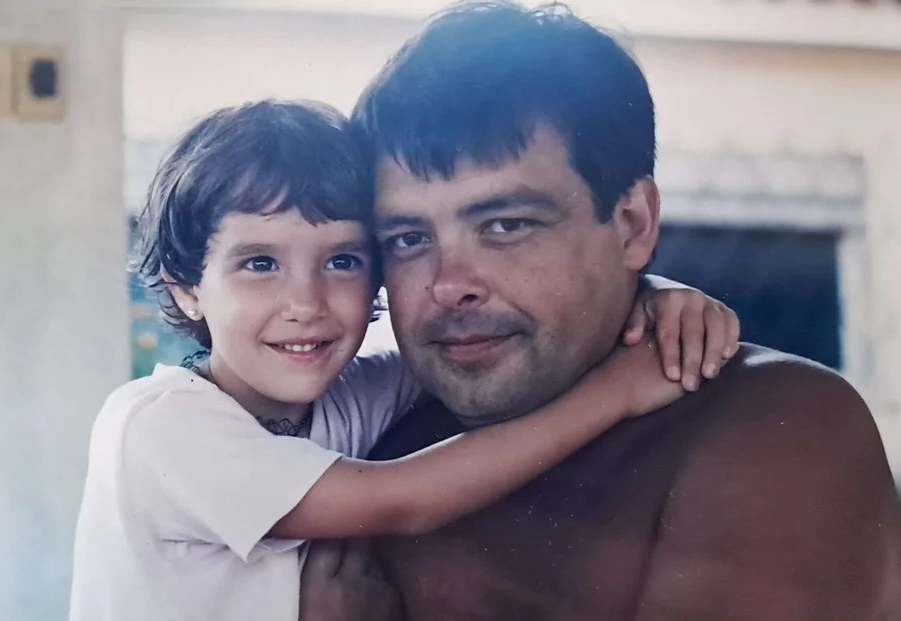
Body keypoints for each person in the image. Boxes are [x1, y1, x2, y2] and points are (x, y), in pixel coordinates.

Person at [309, 2, 901, 620]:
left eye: (506, 225)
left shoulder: (769, 423)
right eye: (408, 239)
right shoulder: (364, 438)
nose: (448, 286)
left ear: (633, 224)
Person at [68, 100, 740, 621]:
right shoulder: (159, 428)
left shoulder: (342, 396)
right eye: (260, 264)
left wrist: (645, 293)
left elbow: (496, 346)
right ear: (187, 286)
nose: (305, 303)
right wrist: (621, 389)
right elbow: (405, 500)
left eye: (342, 261)